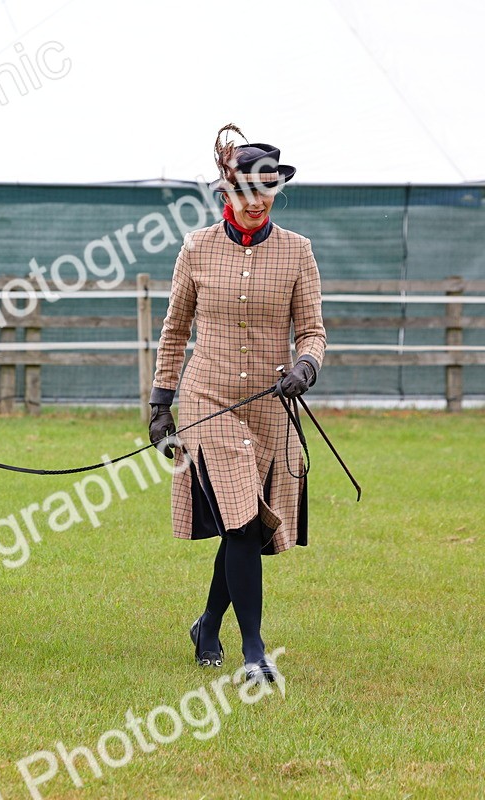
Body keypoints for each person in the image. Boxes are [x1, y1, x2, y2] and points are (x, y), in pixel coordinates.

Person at [149, 124, 326, 684]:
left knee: (242, 530)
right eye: (246, 193)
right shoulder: (196, 248)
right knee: (243, 521)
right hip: (209, 399)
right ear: (226, 193)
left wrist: (306, 365)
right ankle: (254, 654)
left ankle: (207, 624)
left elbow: (314, 331)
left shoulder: (299, 251)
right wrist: (160, 403)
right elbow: (175, 330)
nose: (256, 205)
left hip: (271, 406)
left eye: (266, 194)